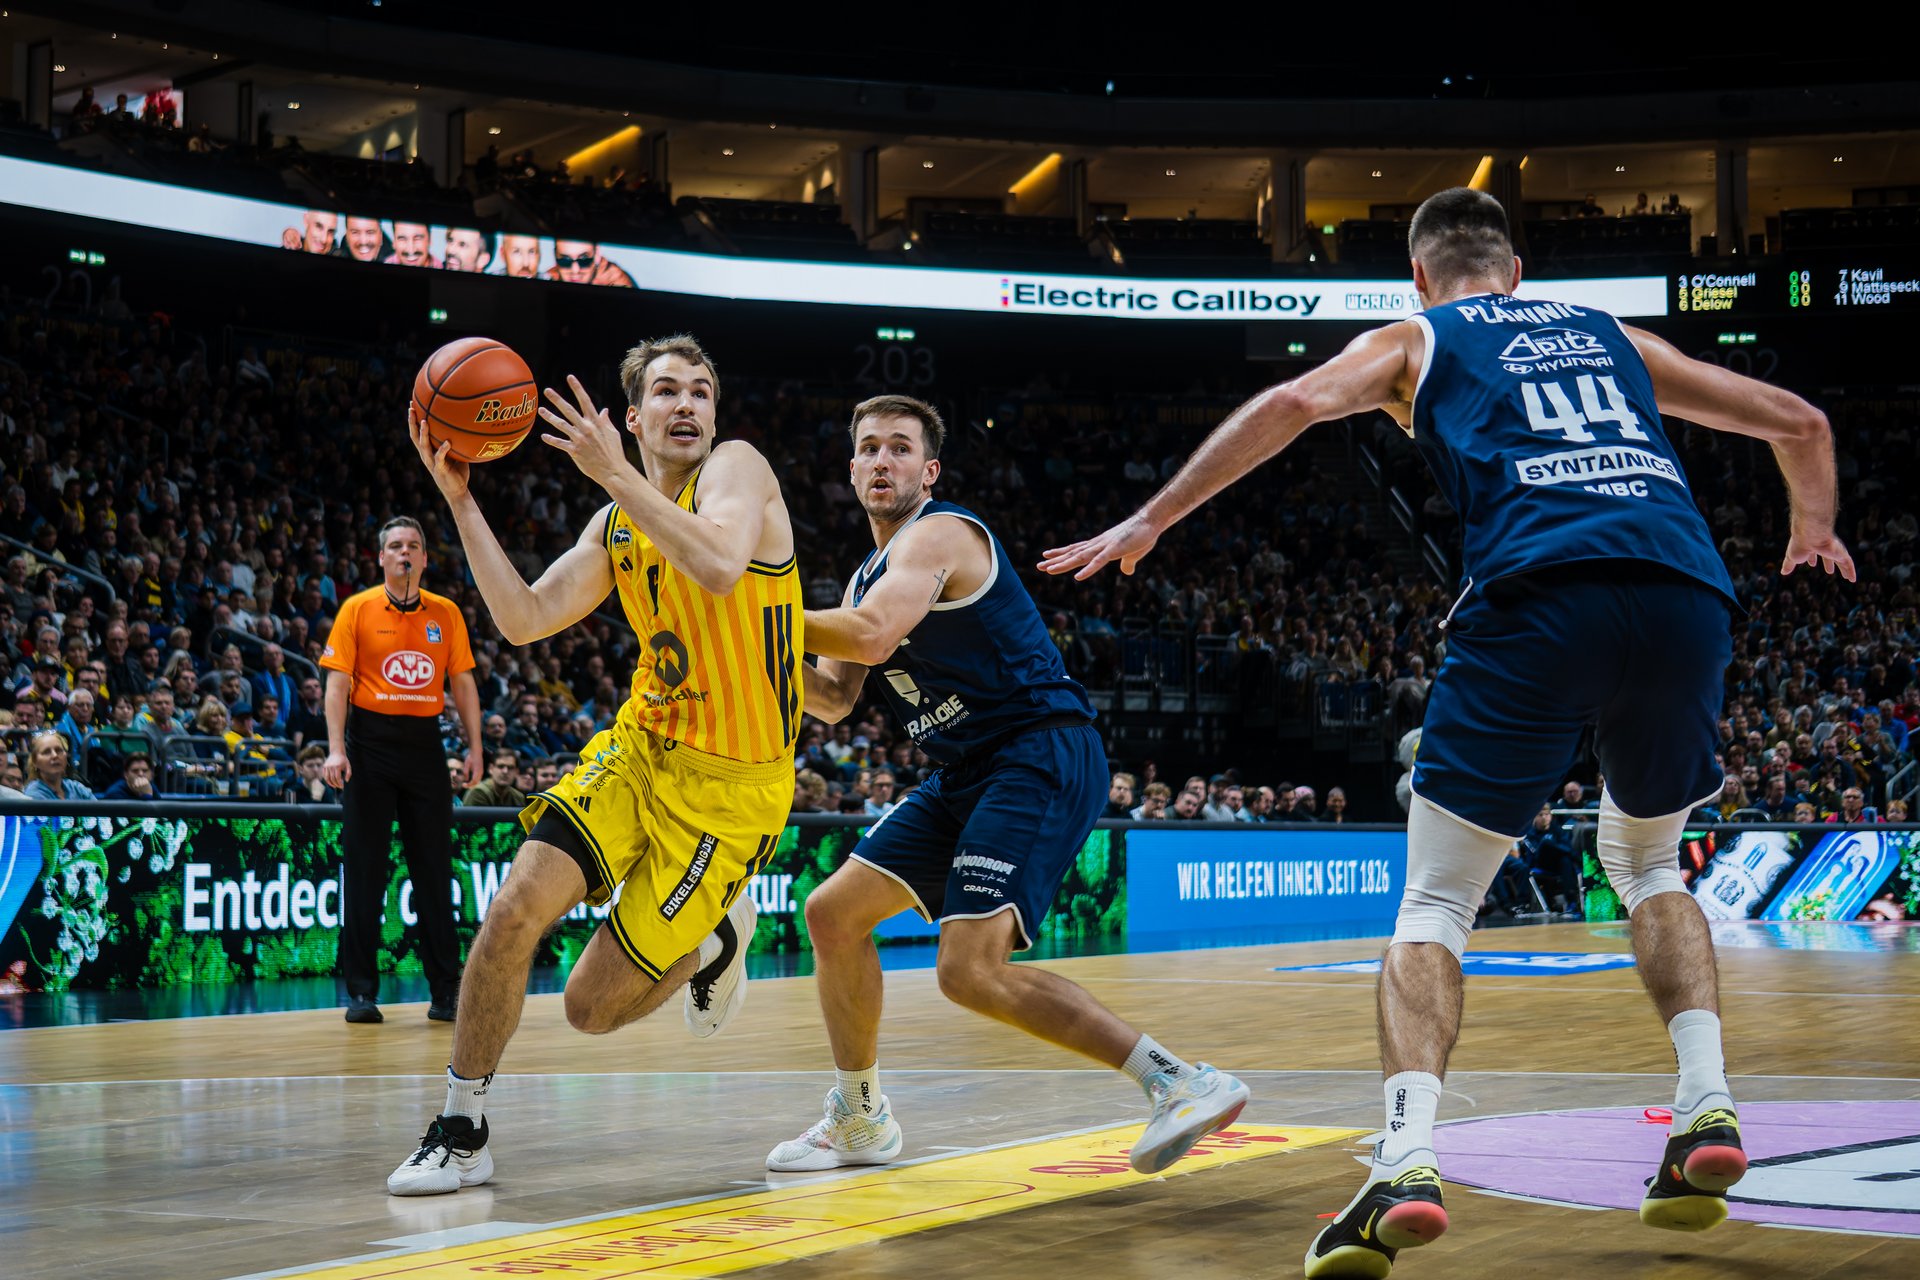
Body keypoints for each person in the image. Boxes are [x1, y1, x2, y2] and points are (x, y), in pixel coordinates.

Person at [1042, 186, 1853, 1275]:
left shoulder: (1415, 338)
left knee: (1435, 902)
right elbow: (1802, 423)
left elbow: (1291, 403)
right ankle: (1707, 1101)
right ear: (1516, 271)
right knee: (1649, 862)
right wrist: (1811, 526)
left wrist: (1151, 518)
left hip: (1540, 597)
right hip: (1683, 593)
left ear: (1419, 279)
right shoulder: (1613, 333)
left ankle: (1405, 1161)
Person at [782, 393, 1246, 1177]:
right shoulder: (863, 577)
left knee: (969, 971)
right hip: (966, 769)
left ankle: (1179, 1080)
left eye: (900, 448)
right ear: (851, 469)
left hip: (1038, 749)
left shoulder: (939, 534)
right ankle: (859, 1119)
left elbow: (873, 636)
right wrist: (742, 652)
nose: (882, 460)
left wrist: (752, 617)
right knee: (832, 915)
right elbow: (830, 698)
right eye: (869, 448)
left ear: (929, 471)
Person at [388, 334, 801, 1197]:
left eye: (701, 391)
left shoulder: (737, 468)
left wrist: (614, 473)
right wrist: (461, 501)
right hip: (640, 747)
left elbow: (719, 564)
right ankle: (461, 1127)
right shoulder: (615, 524)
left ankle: (715, 938)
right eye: (667, 391)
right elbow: (523, 618)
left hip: (731, 792)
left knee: (588, 1008)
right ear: (633, 417)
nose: (687, 404)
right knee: (512, 909)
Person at [321, 517, 483, 1025]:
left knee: (434, 872)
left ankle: (446, 992)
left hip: (424, 746)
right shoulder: (357, 608)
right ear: (381, 557)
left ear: (425, 559)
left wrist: (475, 747)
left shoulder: (446, 613)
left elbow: (463, 683)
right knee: (365, 873)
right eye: (395, 546)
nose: (404, 553)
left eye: (413, 545)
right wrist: (335, 750)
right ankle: (361, 993)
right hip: (368, 746)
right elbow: (336, 684)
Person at [23, 730, 96, 800]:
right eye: (46, 752)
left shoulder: (76, 787)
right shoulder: (33, 794)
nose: (55, 755)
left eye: (58, 750)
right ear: (35, 762)